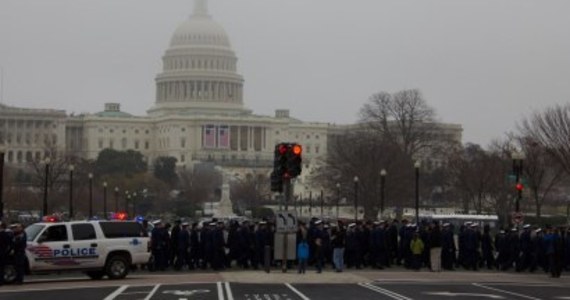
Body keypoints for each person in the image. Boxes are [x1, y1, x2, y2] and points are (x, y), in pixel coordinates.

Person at [0, 222, 14, 286]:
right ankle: (1, 281)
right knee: (2, 268)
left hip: (2, 253)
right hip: (4, 253)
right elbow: (10, 245)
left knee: (1, 268)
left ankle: (1, 281)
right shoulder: (7, 235)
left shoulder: (3, 234)